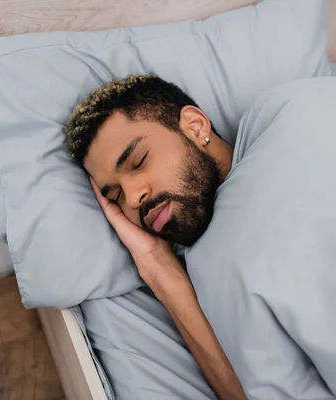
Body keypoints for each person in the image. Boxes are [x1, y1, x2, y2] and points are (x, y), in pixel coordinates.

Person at [65, 74, 247, 400]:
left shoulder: (286, 129)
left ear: (195, 127)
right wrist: (154, 262)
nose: (133, 199)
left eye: (138, 161)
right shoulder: (206, 273)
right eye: (116, 194)